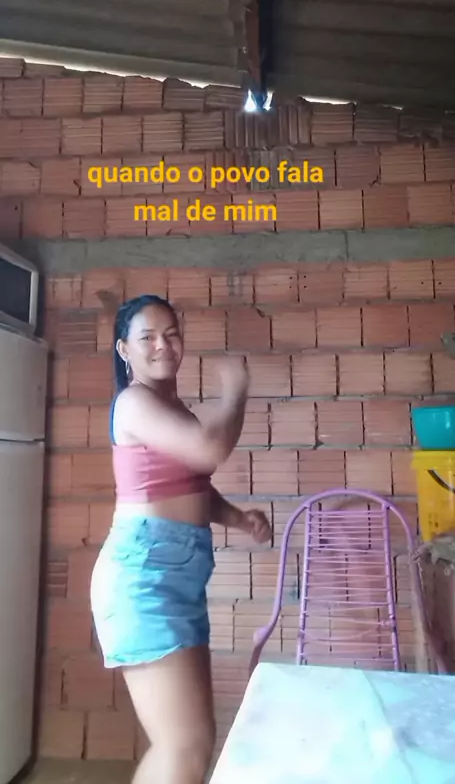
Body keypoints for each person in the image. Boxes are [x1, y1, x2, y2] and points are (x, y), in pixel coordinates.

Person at [90, 294, 271, 784]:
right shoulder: (134, 402)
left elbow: (191, 486)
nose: (162, 345)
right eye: (147, 336)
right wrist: (235, 393)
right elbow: (208, 450)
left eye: (171, 334)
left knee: (194, 742)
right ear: (124, 349)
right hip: (143, 578)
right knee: (183, 747)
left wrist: (237, 518)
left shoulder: (172, 409)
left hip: (177, 579)